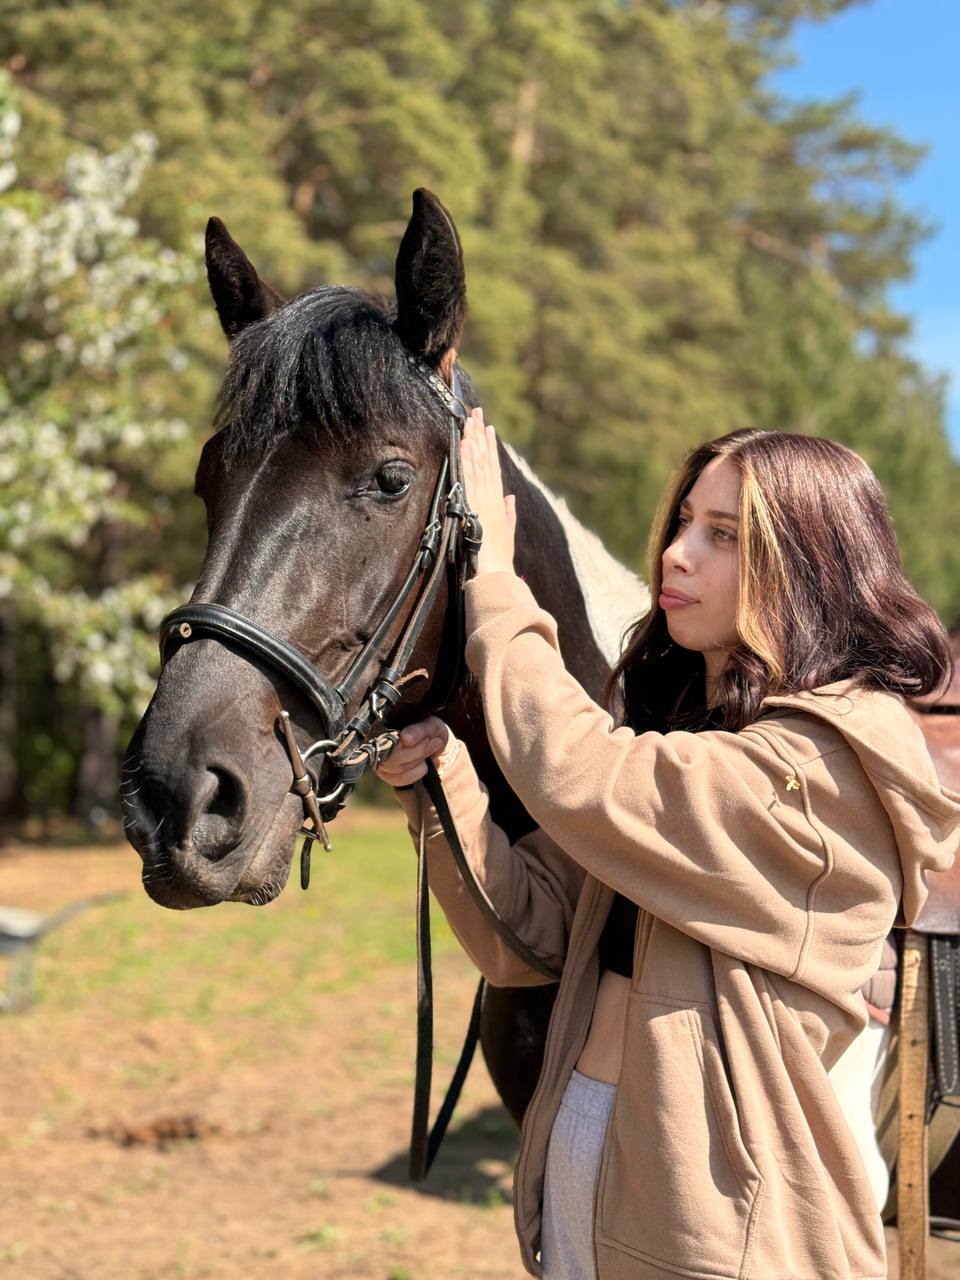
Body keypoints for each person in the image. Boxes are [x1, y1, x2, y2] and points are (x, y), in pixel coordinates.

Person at [376, 411, 960, 1280]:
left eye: (722, 534)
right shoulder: (687, 742)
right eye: (684, 522)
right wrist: (438, 782)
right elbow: (527, 939)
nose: (676, 553)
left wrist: (493, 584)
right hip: (593, 1154)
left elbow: (586, 775)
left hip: (722, 1222)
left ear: (810, 568)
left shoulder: (825, 762)